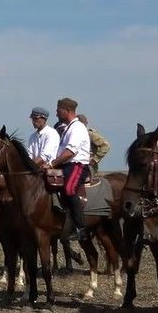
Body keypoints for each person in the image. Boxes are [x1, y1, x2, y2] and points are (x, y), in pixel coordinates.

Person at [50, 98, 91, 241]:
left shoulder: (77, 128)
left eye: (58, 110)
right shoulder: (68, 128)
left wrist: (53, 163)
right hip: (65, 165)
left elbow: (70, 152)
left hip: (76, 165)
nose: (56, 113)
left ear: (67, 111)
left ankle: (80, 228)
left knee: (69, 189)